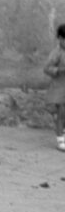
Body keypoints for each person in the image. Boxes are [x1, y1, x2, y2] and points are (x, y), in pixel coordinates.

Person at [44, 23, 65, 152]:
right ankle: (60, 139)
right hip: (59, 88)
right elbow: (46, 68)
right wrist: (60, 70)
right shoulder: (57, 53)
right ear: (60, 39)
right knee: (61, 114)